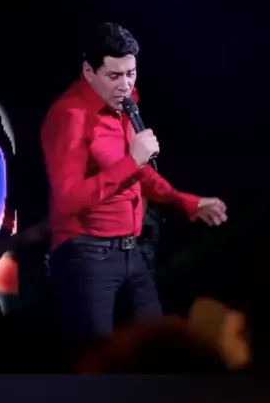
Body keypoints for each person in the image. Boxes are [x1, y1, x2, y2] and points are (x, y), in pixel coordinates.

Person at [41, 22, 227, 343]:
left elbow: (139, 173)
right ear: (89, 71)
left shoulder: (124, 107)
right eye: (114, 76)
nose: (125, 85)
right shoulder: (70, 117)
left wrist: (189, 202)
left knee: (158, 345)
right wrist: (132, 160)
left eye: (131, 74)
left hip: (131, 250)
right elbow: (68, 199)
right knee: (95, 356)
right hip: (87, 255)